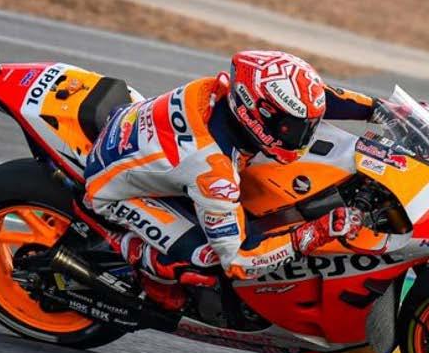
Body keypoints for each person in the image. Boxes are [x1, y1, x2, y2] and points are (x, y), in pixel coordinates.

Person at [84, 50, 377, 309]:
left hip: (146, 144)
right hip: (116, 189)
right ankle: (140, 258)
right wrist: (315, 233)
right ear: (258, 115)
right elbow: (239, 260)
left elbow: (320, 98)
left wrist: (380, 109)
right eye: (292, 128)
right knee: (207, 260)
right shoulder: (214, 173)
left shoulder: (228, 92)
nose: (303, 135)